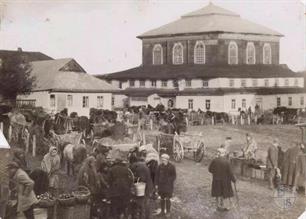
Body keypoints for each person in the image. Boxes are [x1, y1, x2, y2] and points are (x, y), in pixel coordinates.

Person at [108, 152, 133, 219]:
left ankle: (116, 216)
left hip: (115, 191)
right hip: (125, 190)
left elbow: (109, 180)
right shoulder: (126, 169)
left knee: (115, 207)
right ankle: (124, 216)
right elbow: (130, 179)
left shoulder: (111, 169)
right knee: (124, 206)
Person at [130, 151, 153, 219]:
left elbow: (140, 178)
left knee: (140, 202)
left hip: (142, 187)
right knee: (146, 202)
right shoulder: (144, 165)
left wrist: (135, 179)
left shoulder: (135, 166)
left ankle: (140, 216)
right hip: (149, 186)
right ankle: (146, 216)